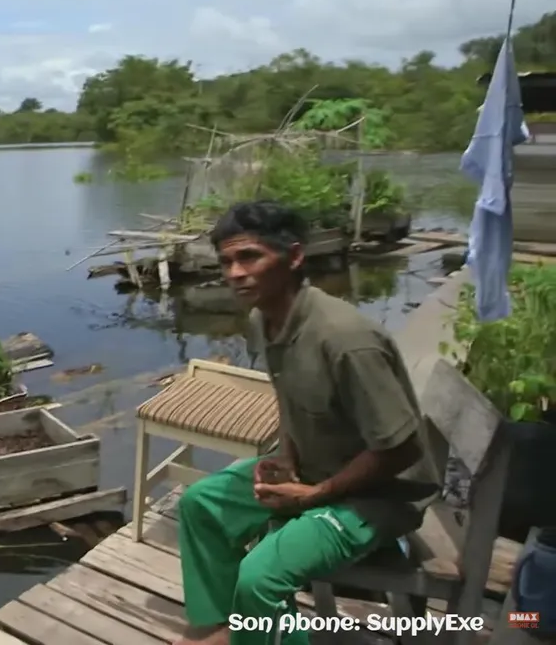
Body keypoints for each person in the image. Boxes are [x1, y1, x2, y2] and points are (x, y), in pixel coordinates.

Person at [173, 201, 441, 645]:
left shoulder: (345, 339)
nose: (235, 273)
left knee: (260, 576)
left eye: (249, 256)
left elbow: (403, 449)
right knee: (200, 505)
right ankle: (225, 627)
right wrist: (286, 456)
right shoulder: (263, 319)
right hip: (317, 469)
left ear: (294, 256)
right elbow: (291, 397)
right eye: (226, 261)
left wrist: (316, 495)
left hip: (380, 496)